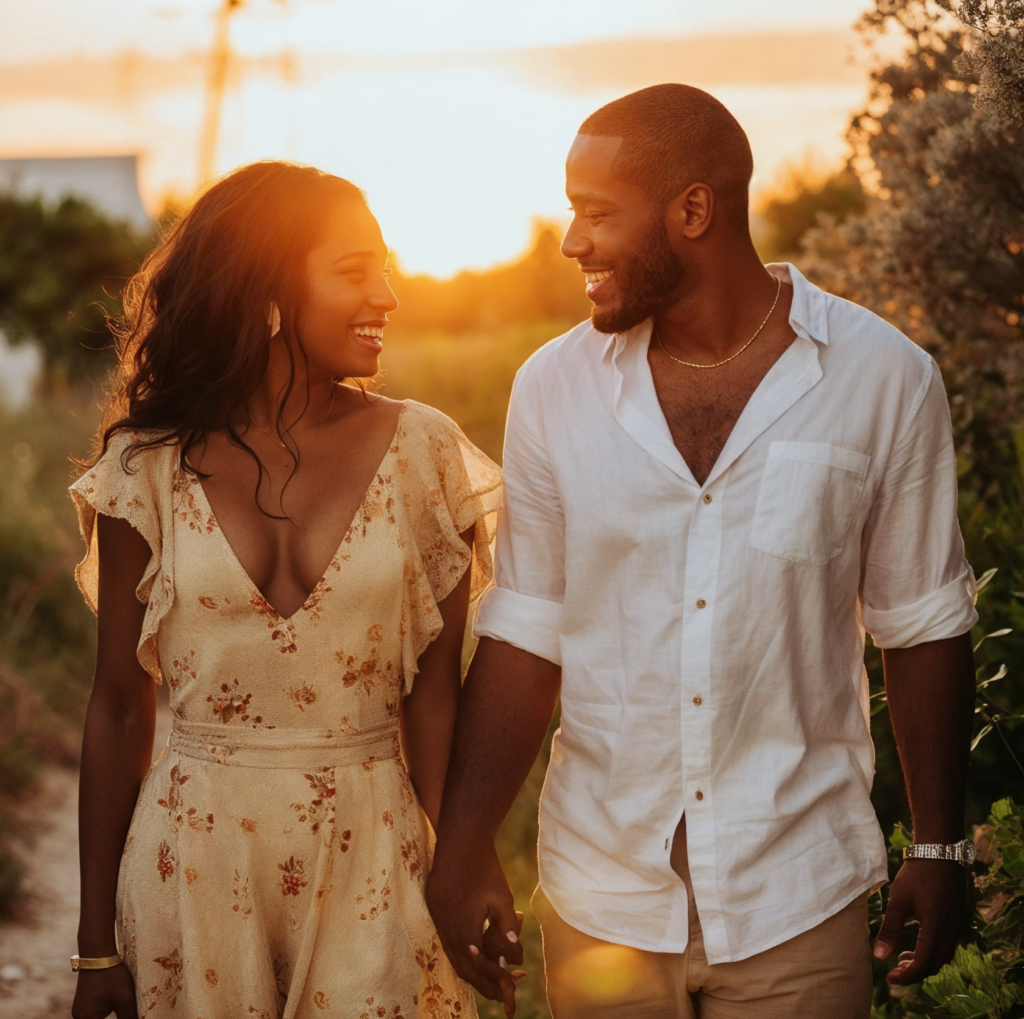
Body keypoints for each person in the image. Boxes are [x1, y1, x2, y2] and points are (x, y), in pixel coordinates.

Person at [426, 84, 978, 1019]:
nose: (572, 241)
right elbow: (525, 629)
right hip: (603, 894)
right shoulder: (553, 389)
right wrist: (466, 843)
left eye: (596, 212)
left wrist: (939, 845)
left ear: (693, 209)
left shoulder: (884, 379)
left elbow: (921, 620)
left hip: (797, 894)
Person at [69, 161, 500, 1019]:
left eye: (386, 265)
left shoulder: (425, 453)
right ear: (267, 289)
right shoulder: (145, 469)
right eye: (353, 270)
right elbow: (120, 704)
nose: (387, 293)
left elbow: (436, 696)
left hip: (374, 858)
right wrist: (94, 946)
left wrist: (466, 862)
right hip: (191, 863)